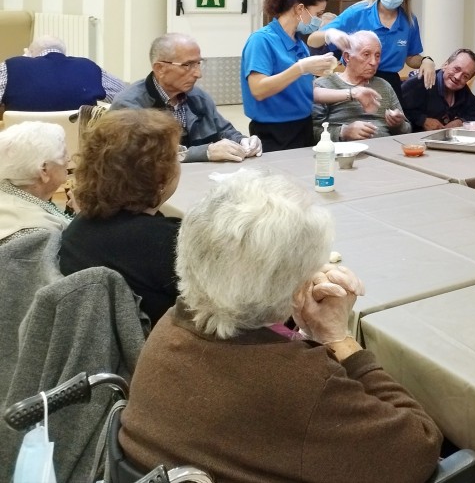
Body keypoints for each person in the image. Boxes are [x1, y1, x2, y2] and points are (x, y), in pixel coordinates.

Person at [119, 171, 443, 483]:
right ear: (298, 285)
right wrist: (337, 338)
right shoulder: (303, 386)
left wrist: (289, 306)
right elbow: (420, 446)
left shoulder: (169, 325)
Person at [59, 109, 182, 324]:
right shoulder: (168, 242)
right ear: (160, 176)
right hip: (152, 342)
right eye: (176, 155)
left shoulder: (78, 228)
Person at [112, 33, 263, 163]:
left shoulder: (199, 98)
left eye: (198, 63)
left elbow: (224, 131)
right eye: (188, 65)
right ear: (160, 69)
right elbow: (138, 157)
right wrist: (205, 152)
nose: (198, 74)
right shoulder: (129, 106)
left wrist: (243, 141)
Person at [308, 0, 435, 105]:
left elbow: (411, 57)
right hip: (355, 81)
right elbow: (312, 40)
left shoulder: (409, 20)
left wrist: (426, 61)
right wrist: (330, 34)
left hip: (389, 85)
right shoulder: (358, 13)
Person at [241, 0, 339, 152]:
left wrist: (352, 93)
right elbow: (258, 89)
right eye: (318, 14)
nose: (318, 21)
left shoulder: (299, 44)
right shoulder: (261, 40)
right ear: (300, 9)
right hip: (274, 132)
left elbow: (306, 90)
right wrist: (300, 68)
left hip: (303, 125)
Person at [312, 30, 410, 140]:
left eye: (377, 56)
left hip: (384, 146)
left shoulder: (384, 85)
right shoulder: (324, 85)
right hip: (344, 149)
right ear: (347, 57)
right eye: (366, 54)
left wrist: (398, 125)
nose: (373, 62)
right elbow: (312, 133)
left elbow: (407, 130)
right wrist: (342, 132)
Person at [0, 36, 125, 112]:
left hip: (21, 145)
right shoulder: (88, 67)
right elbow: (125, 96)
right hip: (77, 144)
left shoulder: (10, 66)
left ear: (30, 53)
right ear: (64, 53)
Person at [0, 121, 72, 240]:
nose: (68, 159)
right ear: (44, 170)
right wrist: (83, 218)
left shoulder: (9, 192)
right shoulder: (40, 232)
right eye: (63, 154)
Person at [401, 48, 475, 132]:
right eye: (456, 69)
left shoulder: (464, 92)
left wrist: (460, 122)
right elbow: (397, 108)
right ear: (445, 65)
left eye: (465, 76)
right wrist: (422, 120)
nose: (458, 77)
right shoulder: (418, 83)